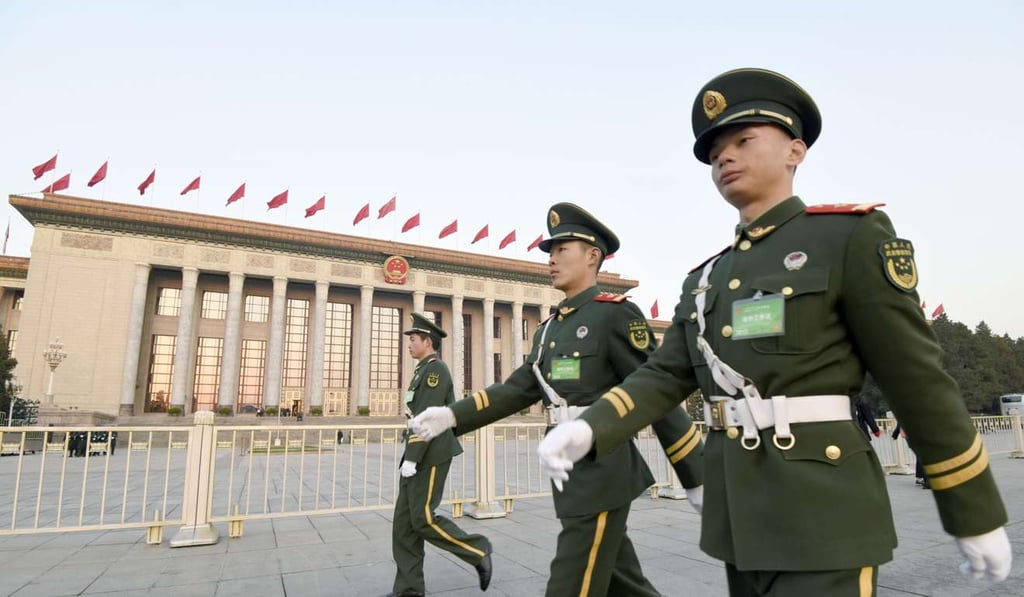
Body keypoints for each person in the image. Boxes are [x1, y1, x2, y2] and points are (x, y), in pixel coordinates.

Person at [537, 68, 1012, 594]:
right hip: (740, 511)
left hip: (823, 505)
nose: (725, 157)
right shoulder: (705, 279)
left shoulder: (847, 238)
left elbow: (916, 379)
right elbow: (664, 375)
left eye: (743, 140)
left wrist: (972, 508)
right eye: (715, 150)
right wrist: (589, 428)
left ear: (796, 151)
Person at [412, 203, 705, 597]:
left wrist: (694, 475)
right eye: (550, 250)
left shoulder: (614, 315)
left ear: (592, 255)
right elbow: (519, 387)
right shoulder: (550, 328)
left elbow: (656, 392)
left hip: (603, 469)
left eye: (562, 248)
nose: (551, 258)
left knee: (571, 582)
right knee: (623, 581)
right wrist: (451, 414)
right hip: (570, 471)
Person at [388, 313, 492, 597]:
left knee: (423, 518)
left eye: (412, 340)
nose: (408, 344)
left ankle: (477, 550)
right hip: (418, 452)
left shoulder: (436, 370)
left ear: (427, 341)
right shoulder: (422, 370)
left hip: (431, 452)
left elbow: (427, 418)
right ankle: (408, 589)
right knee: (404, 525)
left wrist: (413, 456)